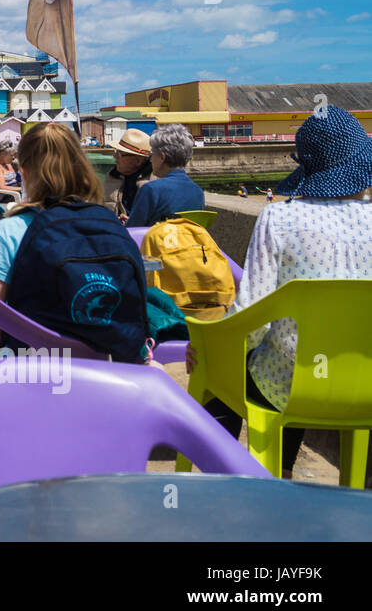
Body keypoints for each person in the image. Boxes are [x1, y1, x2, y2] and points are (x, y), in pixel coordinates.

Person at [190, 106, 372, 478]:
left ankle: (244, 479)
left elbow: (250, 314)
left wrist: (210, 348)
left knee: (244, 364)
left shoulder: (280, 218)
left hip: (291, 384)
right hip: (364, 382)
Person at [0, 123, 146, 361]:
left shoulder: (7, 230)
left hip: (29, 374)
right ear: (80, 167)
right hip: (99, 375)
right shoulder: (109, 224)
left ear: (24, 171)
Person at [125, 124, 204, 227]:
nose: (150, 159)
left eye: (152, 154)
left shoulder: (151, 189)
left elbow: (133, 229)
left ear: (162, 157)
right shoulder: (197, 191)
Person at [103, 128, 153, 221]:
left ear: (138, 161)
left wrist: (132, 222)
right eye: (115, 151)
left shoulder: (154, 182)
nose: (115, 156)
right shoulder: (111, 177)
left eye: (120, 154)